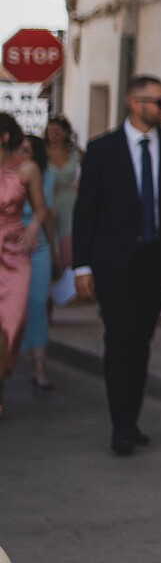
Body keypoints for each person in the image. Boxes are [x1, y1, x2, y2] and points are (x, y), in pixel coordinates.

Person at [71, 77, 161, 454]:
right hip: (114, 261)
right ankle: (122, 427)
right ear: (135, 103)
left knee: (141, 340)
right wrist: (81, 267)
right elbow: (86, 213)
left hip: (157, 260)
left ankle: (130, 418)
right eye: (159, 101)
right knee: (119, 338)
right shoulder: (103, 149)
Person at [1, 114, 57, 419]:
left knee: (22, 314)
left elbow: (42, 210)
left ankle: (31, 364)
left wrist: (38, 229)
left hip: (23, 249)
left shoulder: (30, 170)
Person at [19, 133, 59, 393]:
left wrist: (55, 252)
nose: (25, 154)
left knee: (37, 303)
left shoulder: (48, 176)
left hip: (39, 244)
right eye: (21, 149)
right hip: (9, 242)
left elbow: (47, 215)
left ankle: (40, 367)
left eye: (30, 149)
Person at [44, 115, 80, 273]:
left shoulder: (75, 152)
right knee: (48, 238)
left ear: (66, 132)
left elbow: (94, 167)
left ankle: (67, 283)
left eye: (57, 131)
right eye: (50, 130)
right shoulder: (41, 152)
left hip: (69, 200)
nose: (52, 134)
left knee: (69, 239)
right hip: (47, 199)